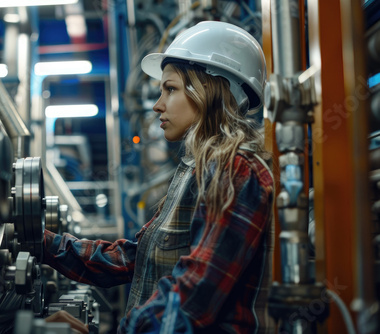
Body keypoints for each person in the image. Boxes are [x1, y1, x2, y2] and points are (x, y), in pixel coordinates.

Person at [43, 21, 274, 333]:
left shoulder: (237, 172)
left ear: (210, 90)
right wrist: (41, 244)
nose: (157, 105)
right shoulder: (195, 172)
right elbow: (136, 259)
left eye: (170, 89)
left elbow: (193, 297)